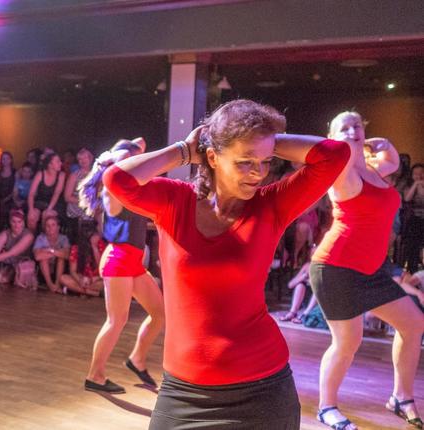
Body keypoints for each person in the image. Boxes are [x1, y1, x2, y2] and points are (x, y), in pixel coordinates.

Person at [103, 99, 350, 428]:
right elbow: (116, 179)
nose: (258, 173)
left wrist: (264, 141)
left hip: (262, 390)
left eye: (265, 162)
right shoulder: (175, 202)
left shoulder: (271, 205)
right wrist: (183, 150)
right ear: (212, 157)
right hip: (183, 392)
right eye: (245, 161)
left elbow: (336, 154)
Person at [310, 111, 424, 430]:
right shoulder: (341, 172)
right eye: (343, 128)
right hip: (336, 268)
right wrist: (345, 146)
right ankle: (326, 408)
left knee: (414, 324)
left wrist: (384, 143)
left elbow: (392, 162)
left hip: (371, 269)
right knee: (347, 342)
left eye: (356, 125)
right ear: (332, 138)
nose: (351, 131)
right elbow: (340, 155)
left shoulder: (373, 169)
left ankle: (401, 397)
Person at [80, 138, 164, 394]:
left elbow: (140, 142)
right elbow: (124, 163)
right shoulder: (112, 189)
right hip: (118, 260)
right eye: (130, 160)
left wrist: (132, 150)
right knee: (116, 321)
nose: (136, 163)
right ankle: (95, 376)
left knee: (160, 313)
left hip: (133, 262)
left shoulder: (131, 184)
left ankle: (137, 359)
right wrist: (114, 158)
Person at [59, 224, 104, 297]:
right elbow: (73, 271)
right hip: (82, 278)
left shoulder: (100, 245)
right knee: (63, 278)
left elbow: (102, 269)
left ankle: (78, 291)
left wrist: (94, 247)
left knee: (107, 283)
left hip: (97, 279)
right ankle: (94, 293)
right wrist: (80, 281)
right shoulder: (76, 248)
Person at [27, 152, 66, 231]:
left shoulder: (62, 175)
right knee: (32, 217)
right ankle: (31, 237)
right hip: (41, 202)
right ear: (50, 164)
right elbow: (31, 194)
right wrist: (31, 210)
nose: (61, 163)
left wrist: (49, 209)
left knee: (47, 215)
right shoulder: (40, 174)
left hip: (56, 204)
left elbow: (57, 193)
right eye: (58, 161)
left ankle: (44, 237)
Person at [64, 148, 95, 242]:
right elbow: (67, 197)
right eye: (80, 159)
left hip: (92, 208)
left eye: (85, 158)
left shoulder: (96, 174)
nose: (82, 161)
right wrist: (84, 202)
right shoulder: (74, 175)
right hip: (77, 207)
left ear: (90, 158)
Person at [33, 216, 70, 293]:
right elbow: (37, 256)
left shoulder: (63, 238)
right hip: (45, 268)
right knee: (43, 259)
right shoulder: (41, 238)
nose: (50, 228)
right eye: (48, 225)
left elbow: (67, 255)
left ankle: (57, 284)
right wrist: (58, 252)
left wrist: (50, 250)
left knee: (61, 259)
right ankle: (50, 285)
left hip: (58, 268)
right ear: (45, 228)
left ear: (58, 227)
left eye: (53, 225)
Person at [402, 163, 424, 273]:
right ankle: (412, 271)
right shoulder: (408, 185)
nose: (419, 175)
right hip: (414, 219)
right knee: (413, 247)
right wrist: (416, 184)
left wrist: (420, 186)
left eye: (421, 173)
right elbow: (407, 198)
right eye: (416, 173)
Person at [0, 151, 16, 230]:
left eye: (7, 158)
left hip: (11, 197)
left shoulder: (15, 172)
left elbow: (16, 189)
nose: (5, 160)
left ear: (11, 160)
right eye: (3, 159)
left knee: (9, 208)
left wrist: (7, 198)